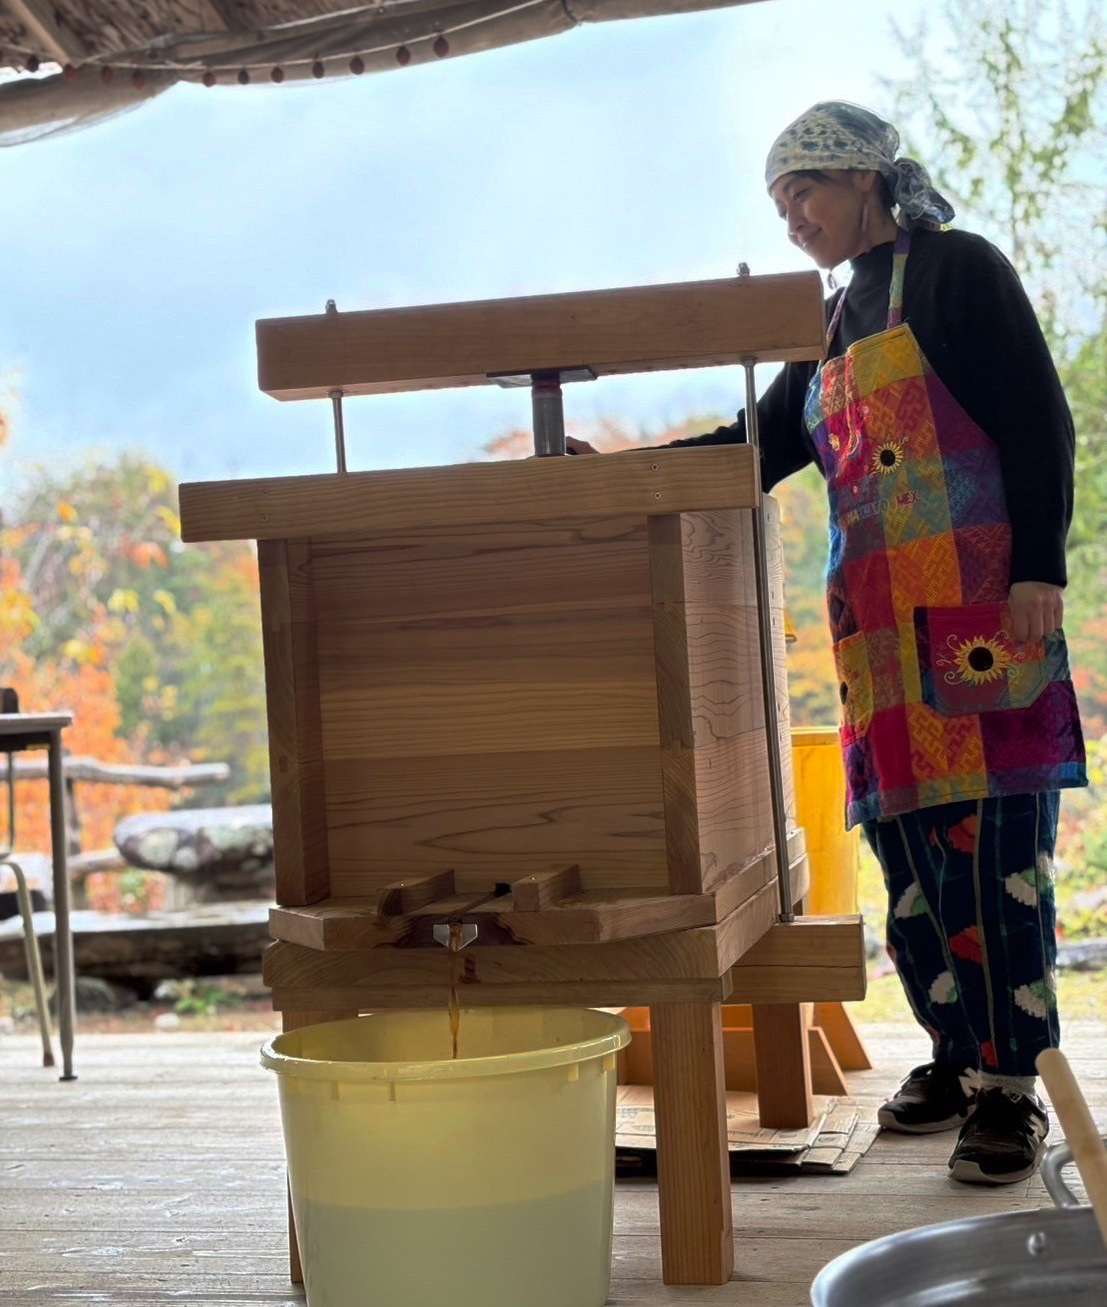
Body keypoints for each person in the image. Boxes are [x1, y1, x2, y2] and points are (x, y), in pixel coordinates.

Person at [569, 101, 1087, 1185]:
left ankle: (1012, 1090)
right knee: (906, 861)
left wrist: (1042, 565)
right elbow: (754, 448)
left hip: (984, 615)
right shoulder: (832, 319)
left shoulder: (958, 272)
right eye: (776, 201)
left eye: (803, 190)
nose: (792, 214)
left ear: (862, 180)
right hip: (881, 646)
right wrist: (617, 473)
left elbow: (1041, 416)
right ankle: (953, 1055)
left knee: (994, 856)